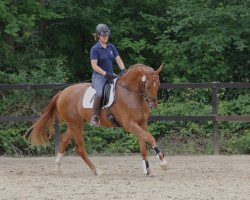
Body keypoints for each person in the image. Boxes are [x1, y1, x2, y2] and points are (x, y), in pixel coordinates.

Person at [90, 23, 126, 126]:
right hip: (99, 76)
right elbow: (94, 65)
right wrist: (105, 74)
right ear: (98, 36)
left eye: (107, 35)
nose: (105, 38)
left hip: (111, 75)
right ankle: (94, 117)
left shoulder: (111, 47)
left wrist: (123, 69)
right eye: (103, 36)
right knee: (100, 93)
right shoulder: (95, 49)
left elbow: (118, 59)